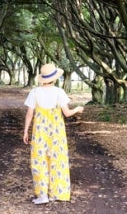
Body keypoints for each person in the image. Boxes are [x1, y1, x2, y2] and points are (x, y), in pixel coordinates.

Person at [23, 63, 84, 204]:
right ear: (54, 78)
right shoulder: (59, 92)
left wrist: (26, 131)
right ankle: (57, 193)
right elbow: (67, 113)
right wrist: (78, 109)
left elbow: (29, 113)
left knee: (39, 161)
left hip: (39, 133)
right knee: (58, 161)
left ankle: (42, 195)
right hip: (57, 133)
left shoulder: (35, 92)